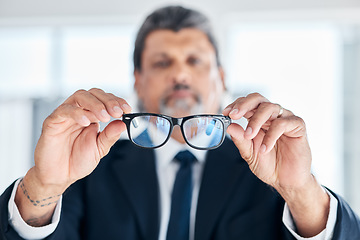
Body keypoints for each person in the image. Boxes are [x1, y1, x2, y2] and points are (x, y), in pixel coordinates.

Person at [1, 5, 360, 240]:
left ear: (221, 78)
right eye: (161, 63)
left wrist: (300, 192)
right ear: (137, 80)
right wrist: (43, 184)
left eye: (195, 61)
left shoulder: (268, 172)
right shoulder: (91, 170)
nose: (180, 75)